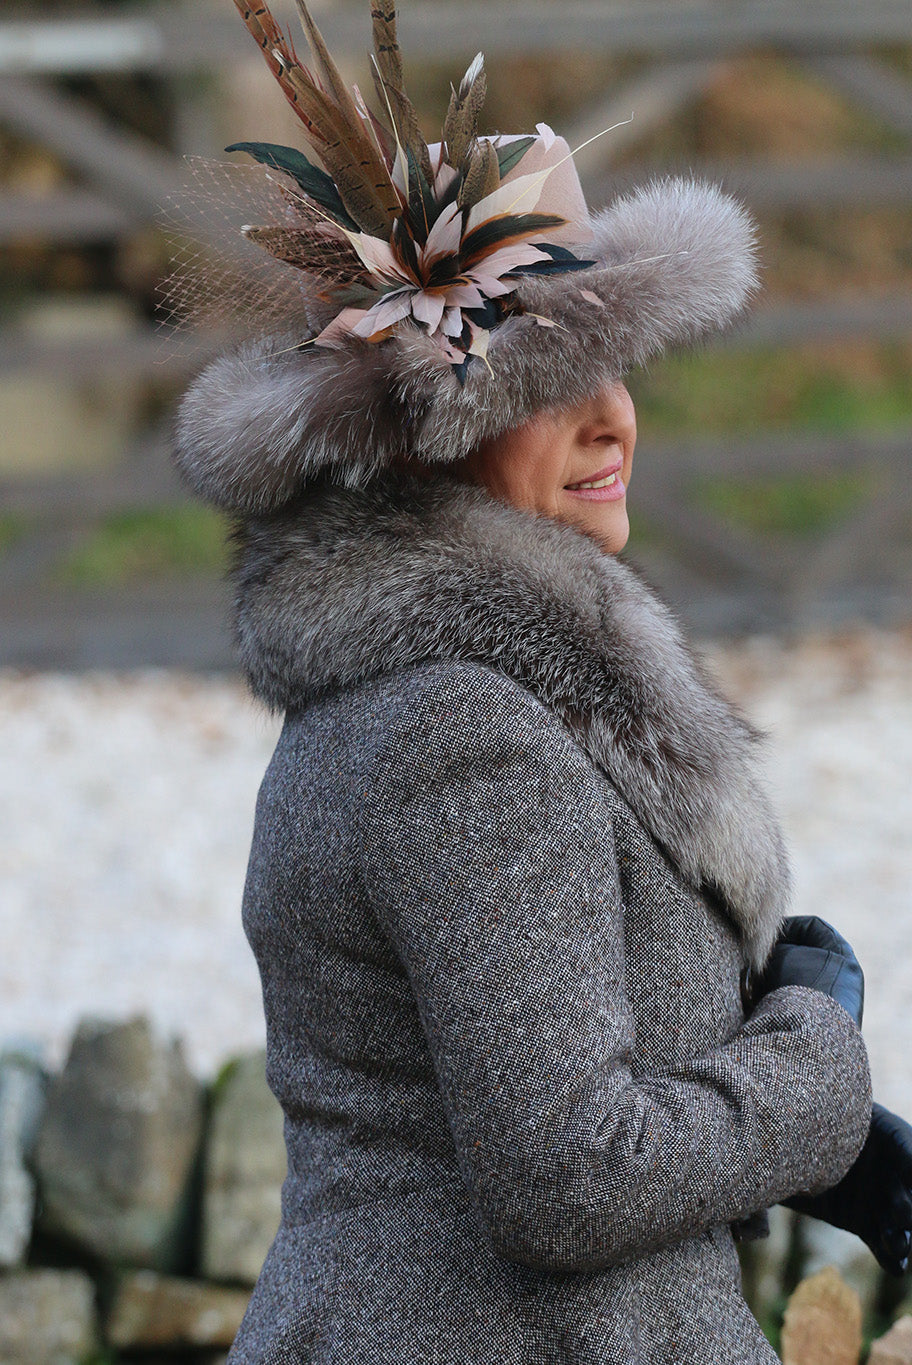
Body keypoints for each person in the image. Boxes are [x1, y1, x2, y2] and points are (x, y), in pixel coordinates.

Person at [172, 3, 912, 1359]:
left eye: (616, 363)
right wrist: (814, 1055)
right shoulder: (465, 735)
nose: (612, 413)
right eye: (546, 382)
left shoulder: (445, 702)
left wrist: (819, 1145)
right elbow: (569, 1176)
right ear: (423, 443)